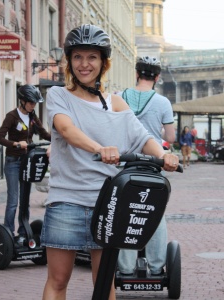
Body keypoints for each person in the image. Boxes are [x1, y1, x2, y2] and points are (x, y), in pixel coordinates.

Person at [41, 24, 179, 300]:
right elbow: (67, 130)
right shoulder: (59, 96)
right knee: (58, 279)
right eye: (78, 57)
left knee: (104, 283)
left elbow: (142, 138)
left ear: (103, 62)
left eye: (92, 57)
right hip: (66, 201)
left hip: (108, 203)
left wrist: (164, 155)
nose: (84, 64)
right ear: (69, 60)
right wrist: (99, 148)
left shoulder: (116, 103)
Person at [117, 56, 175, 277]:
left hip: (125, 166)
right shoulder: (162, 103)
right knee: (155, 212)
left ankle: (126, 267)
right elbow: (170, 137)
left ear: (137, 74)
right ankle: (157, 265)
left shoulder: (120, 97)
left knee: (125, 213)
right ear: (157, 77)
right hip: (152, 166)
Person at [0, 84, 51, 245]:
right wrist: (16, 144)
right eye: (31, 102)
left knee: (25, 199)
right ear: (22, 101)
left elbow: (43, 133)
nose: (33, 105)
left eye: (35, 103)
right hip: (13, 162)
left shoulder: (33, 117)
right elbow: (0, 138)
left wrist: (59, 138)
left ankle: (22, 233)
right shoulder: (12, 116)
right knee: (13, 200)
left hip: (27, 161)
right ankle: (8, 233)